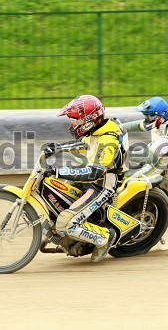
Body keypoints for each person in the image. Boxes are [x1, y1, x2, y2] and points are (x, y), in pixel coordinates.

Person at [46, 94, 127, 262]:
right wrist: (57, 148)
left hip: (102, 186)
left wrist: (58, 171)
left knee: (65, 222)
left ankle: (104, 237)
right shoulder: (97, 130)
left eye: (75, 121)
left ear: (89, 120)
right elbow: (84, 144)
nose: (72, 124)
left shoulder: (108, 140)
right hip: (91, 179)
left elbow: (94, 173)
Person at [123, 96, 168, 176]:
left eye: (148, 116)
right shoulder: (165, 119)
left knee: (131, 182)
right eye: (145, 115)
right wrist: (118, 127)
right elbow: (138, 125)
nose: (146, 119)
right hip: (155, 149)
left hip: (160, 163)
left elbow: (150, 157)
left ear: (161, 116)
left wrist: (125, 155)